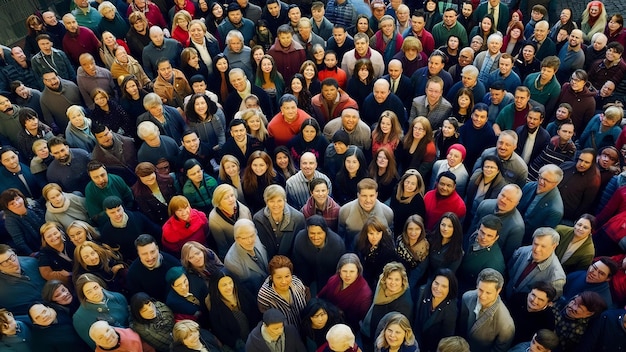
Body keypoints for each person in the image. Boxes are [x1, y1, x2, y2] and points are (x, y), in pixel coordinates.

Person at [458, 268, 515, 352]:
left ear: (498, 290)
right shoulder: (467, 297)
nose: (482, 296)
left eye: (488, 293)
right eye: (480, 290)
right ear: (477, 285)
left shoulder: (506, 325)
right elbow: (461, 325)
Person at [360, 262, 412, 348]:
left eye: (397, 279)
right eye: (390, 278)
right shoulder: (381, 287)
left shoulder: (404, 304)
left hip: (383, 341)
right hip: (369, 331)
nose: (393, 283)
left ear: (403, 281)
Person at [506, 227, 566, 301]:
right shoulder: (522, 251)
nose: (537, 249)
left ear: (554, 246)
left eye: (543, 246)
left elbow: (549, 301)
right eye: (535, 244)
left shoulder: (556, 277)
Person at [207, 272, 261, 352]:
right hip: (237, 343)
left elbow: (256, 313)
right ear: (217, 287)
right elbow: (220, 331)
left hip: (255, 333)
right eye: (224, 285)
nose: (229, 287)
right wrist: (236, 343)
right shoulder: (214, 305)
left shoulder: (243, 293)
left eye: (230, 283)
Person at [72, 273, 129, 349]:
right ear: (83, 295)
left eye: (95, 287)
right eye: (89, 292)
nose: (95, 293)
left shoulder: (118, 297)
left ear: (100, 286)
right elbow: (95, 346)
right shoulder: (80, 318)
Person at [293, 215, 345, 295]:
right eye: (312, 233)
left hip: (328, 280)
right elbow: (299, 266)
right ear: (307, 231)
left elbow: (338, 271)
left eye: (319, 233)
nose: (316, 237)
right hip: (307, 279)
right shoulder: (300, 239)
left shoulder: (337, 244)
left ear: (326, 231)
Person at [253, 184, 305, 259]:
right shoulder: (258, 219)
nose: (276, 205)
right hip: (269, 261)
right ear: (266, 202)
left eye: (279, 201)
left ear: (285, 201)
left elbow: (299, 246)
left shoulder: (298, 219)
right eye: (272, 201)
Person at [412, 268, 458, 352]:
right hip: (414, 342)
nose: (438, 288)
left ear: (450, 289)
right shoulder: (422, 292)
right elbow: (414, 319)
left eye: (444, 286)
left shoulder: (451, 308)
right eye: (436, 283)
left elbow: (446, 338)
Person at [126, 234, 181, 301]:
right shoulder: (133, 274)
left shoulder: (173, 263)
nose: (150, 257)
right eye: (144, 254)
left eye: (152, 252)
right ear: (138, 254)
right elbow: (138, 301)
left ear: (157, 248)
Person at [0, 244, 46, 315]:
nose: (12, 263)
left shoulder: (32, 262)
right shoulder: (2, 292)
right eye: (5, 262)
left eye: (12, 257)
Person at [0, 188, 46, 256]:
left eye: (17, 199)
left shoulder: (32, 206)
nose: (17, 203)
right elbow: (19, 241)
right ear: (8, 208)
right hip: (37, 247)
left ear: (22, 197)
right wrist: (31, 254)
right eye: (12, 203)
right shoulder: (10, 221)